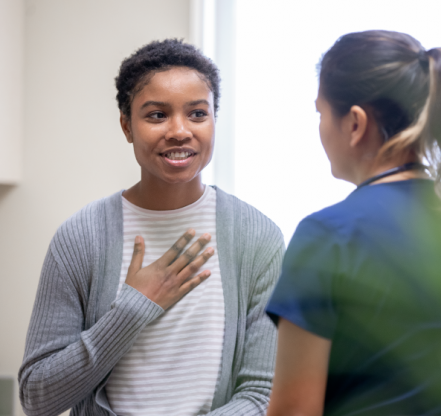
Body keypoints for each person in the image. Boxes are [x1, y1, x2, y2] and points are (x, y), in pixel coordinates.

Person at [19, 39, 284, 416]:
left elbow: (262, 396)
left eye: (197, 114)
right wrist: (131, 310)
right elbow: (37, 398)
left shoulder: (257, 238)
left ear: (214, 121)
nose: (179, 130)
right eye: (157, 115)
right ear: (127, 126)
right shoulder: (80, 238)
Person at [265, 30, 441, 416]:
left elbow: (293, 412)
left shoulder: (327, 236)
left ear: (354, 123)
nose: (319, 128)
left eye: (320, 113)